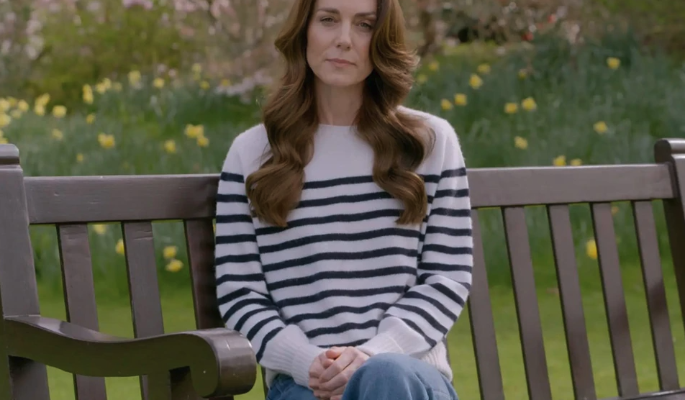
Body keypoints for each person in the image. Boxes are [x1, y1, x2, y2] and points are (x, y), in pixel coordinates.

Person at [214, 0, 473, 398]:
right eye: (328, 20)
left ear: (382, 39)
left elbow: (446, 277)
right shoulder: (253, 154)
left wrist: (372, 354)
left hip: (408, 378)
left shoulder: (428, 144)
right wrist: (308, 362)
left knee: (383, 377)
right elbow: (240, 293)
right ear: (304, 29)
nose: (344, 40)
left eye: (364, 25)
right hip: (306, 384)